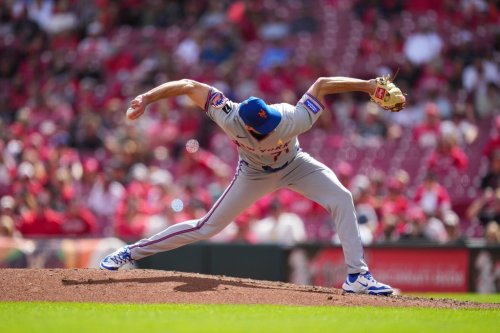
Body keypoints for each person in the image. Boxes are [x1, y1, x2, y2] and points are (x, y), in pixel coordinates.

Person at [100, 76, 402, 295]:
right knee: (207, 226)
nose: (268, 126)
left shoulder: (289, 118)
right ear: (246, 125)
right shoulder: (229, 115)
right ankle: (129, 253)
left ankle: (357, 276)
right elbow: (189, 86)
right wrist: (148, 98)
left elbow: (322, 83)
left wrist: (367, 85)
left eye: (269, 121)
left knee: (341, 197)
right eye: (262, 125)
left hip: (296, 165)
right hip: (253, 174)